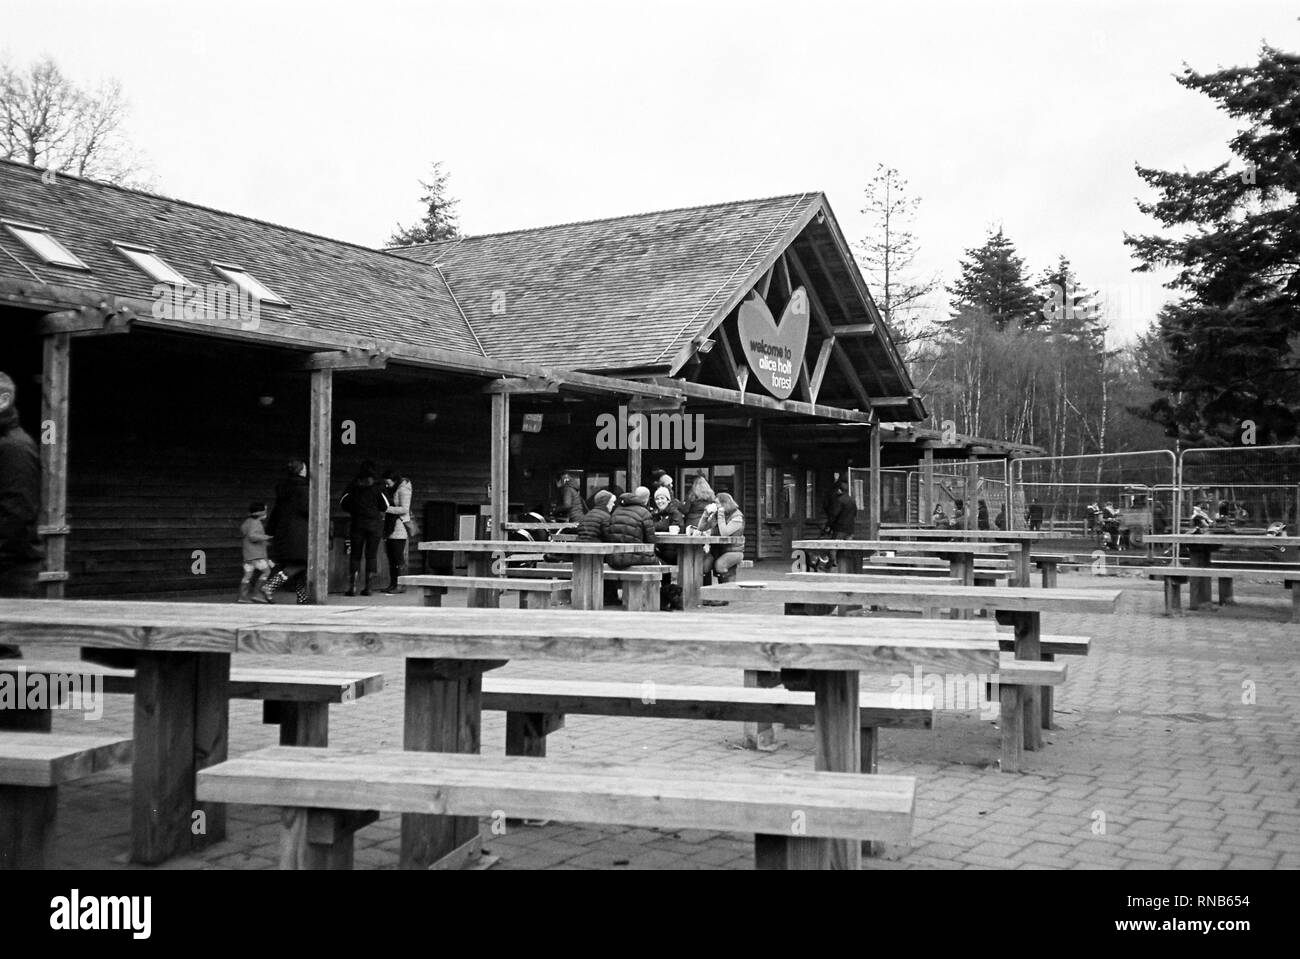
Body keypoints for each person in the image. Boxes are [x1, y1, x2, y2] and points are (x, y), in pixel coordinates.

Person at [0, 371, 41, 658]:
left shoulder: (15, 448)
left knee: (2, 651)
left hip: (8, 569)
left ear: (3, 400)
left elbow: (16, 514)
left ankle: (29, 704)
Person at [263, 459, 311, 604]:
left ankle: (302, 598)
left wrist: (270, 531)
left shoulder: (283, 489)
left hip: (284, 532)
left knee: (299, 564)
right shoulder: (303, 489)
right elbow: (308, 510)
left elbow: (276, 511)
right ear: (301, 471)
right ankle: (270, 586)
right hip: (299, 532)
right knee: (301, 563)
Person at [339, 465, 390, 596]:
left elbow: (343, 503)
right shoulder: (379, 488)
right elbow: (385, 506)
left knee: (355, 555)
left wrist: (354, 510)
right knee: (371, 555)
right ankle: (368, 587)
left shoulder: (353, 487)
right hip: (374, 525)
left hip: (357, 524)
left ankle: (353, 587)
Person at [604, 486, 657, 570]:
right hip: (635, 558)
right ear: (647, 499)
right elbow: (651, 541)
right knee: (662, 564)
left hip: (613, 558)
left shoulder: (616, 511)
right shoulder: (644, 513)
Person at [701, 492, 746, 587]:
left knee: (719, 565)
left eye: (717, 503)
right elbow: (701, 528)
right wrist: (705, 514)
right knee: (704, 565)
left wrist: (720, 514)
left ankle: (724, 596)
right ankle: (706, 594)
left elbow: (724, 533)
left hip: (734, 551)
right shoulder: (717, 514)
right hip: (717, 549)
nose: (715, 505)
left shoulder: (737, 516)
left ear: (724, 503)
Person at [382, 469, 414, 595]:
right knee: (391, 557)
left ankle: (400, 585)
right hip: (391, 526)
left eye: (388, 482)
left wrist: (387, 509)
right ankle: (393, 583)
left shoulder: (403, 489)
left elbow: (405, 509)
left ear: (394, 480)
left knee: (397, 557)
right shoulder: (394, 488)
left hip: (399, 526)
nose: (387, 485)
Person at [237, 502, 273, 603]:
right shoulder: (256, 523)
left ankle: (243, 596)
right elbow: (252, 536)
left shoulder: (247, 522)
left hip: (248, 554)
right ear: (261, 513)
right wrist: (266, 537)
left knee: (248, 575)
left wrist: (264, 542)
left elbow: (248, 535)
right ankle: (257, 594)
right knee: (267, 572)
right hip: (257, 555)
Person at [649, 486, 685, 566]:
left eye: (662, 498)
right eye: (657, 499)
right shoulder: (654, 514)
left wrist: (657, 526)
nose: (659, 501)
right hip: (657, 547)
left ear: (668, 500)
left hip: (672, 548)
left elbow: (675, 528)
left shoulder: (675, 513)